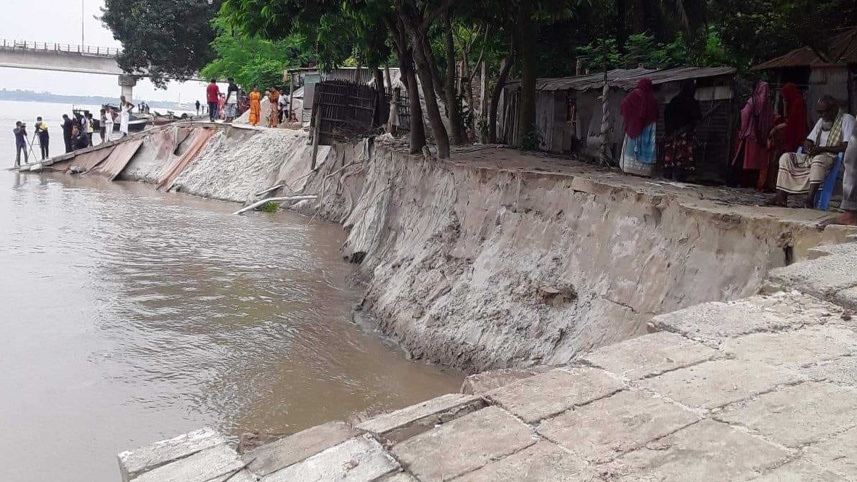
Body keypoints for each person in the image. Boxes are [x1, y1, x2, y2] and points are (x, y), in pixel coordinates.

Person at [769, 95, 855, 207]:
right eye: (820, 112)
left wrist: (821, 149)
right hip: (815, 156)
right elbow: (809, 139)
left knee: (819, 160)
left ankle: (809, 199)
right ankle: (781, 196)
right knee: (786, 157)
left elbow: (847, 146)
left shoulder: (847, 119)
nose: (823, 115)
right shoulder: (822, 121)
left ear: (834, 108)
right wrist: (807, 146)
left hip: (833, 158)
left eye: (826, 111)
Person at [734, 81, 775, 190]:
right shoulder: (768, 105)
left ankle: (743, 183)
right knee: (757, 163)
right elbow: (771, 120)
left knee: (747, 161)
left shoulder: (752, 101)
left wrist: (742, 132)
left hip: (751, 136)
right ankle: (753, 184)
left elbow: (745, 116)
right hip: (762, 138)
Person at [662, 80, 701, 182]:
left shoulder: (675, 100)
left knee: (671, 157)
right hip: (684, 136)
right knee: (682, 158)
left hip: (671, 135)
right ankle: (680, 178)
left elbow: (666, 115)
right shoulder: (691, 102)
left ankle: (668, 176)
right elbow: (698, 117)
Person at [619, 78, 659, 176]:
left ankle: (630, 169)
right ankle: (644, 171)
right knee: (646, 146)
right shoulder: (652, 98)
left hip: (634, 127)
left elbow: (624, 105)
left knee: (632, 147)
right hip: (648, 129)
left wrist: (631, 118)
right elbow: (656, 114)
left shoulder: (634, 94)